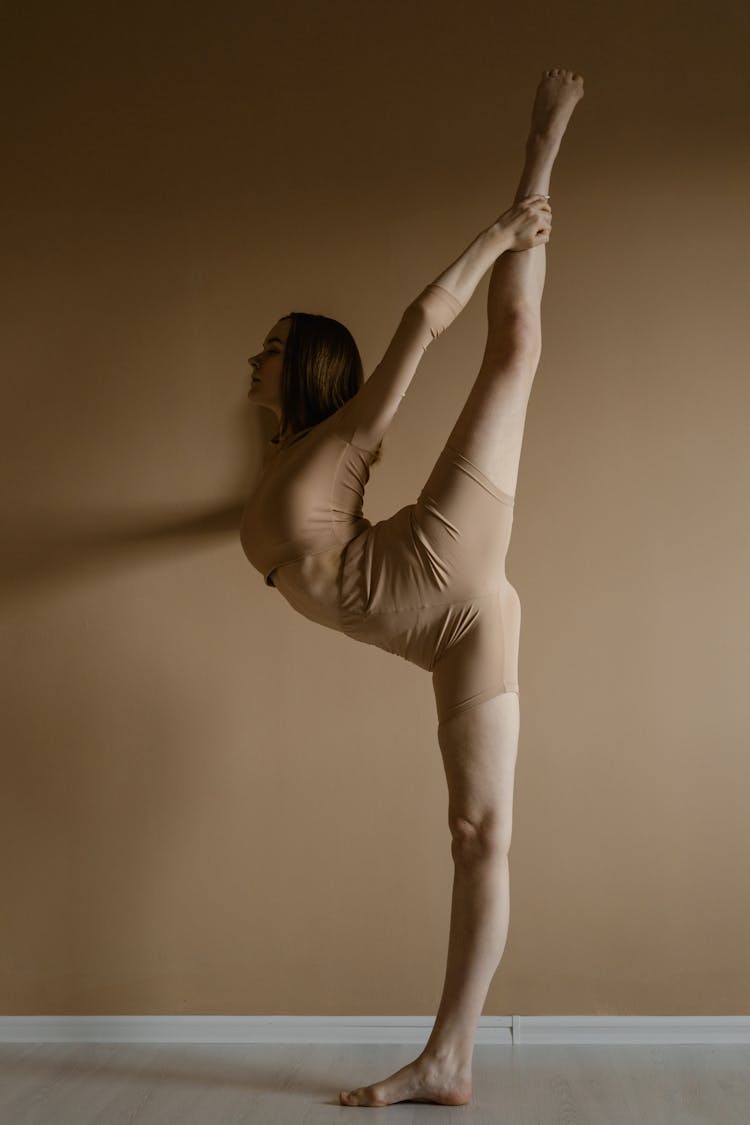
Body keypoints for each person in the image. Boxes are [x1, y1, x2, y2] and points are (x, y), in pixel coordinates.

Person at [242, 67, 584, 1108]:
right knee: (476, 834)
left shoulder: (344, 437)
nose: (250, 365)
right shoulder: (277, 471)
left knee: (512, 348)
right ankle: (452, 1059)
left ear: (304, 370)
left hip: (433, 558)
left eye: (266, 352)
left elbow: (424, 323)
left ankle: (544, 144)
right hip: (449, 632)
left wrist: (496, 232)